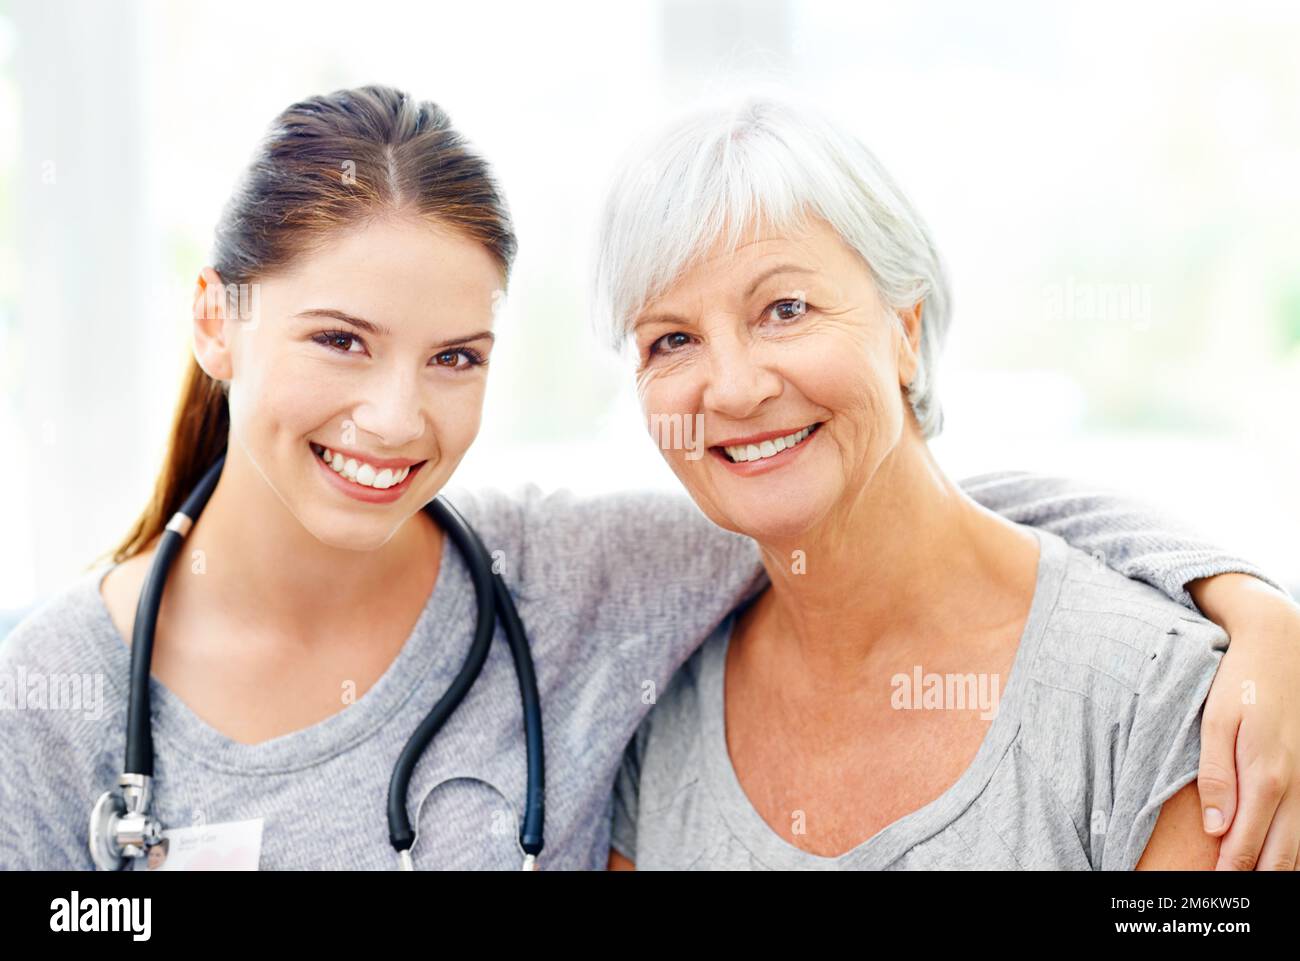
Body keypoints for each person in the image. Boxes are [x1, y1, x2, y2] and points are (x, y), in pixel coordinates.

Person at [0, 87, 1294, 871]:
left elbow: (904, 513)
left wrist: (1249, 601)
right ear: (217, 324)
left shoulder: (572, 591)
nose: (394, 413)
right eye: (671, 339)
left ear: (906, 325)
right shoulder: (48, 707)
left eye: (456, 355)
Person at [600, 97, 1300, 870]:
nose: (731, 388)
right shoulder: (660, 719)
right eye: (672, 339)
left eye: (785, 309)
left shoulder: (1161, 703)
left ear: (904, 327)